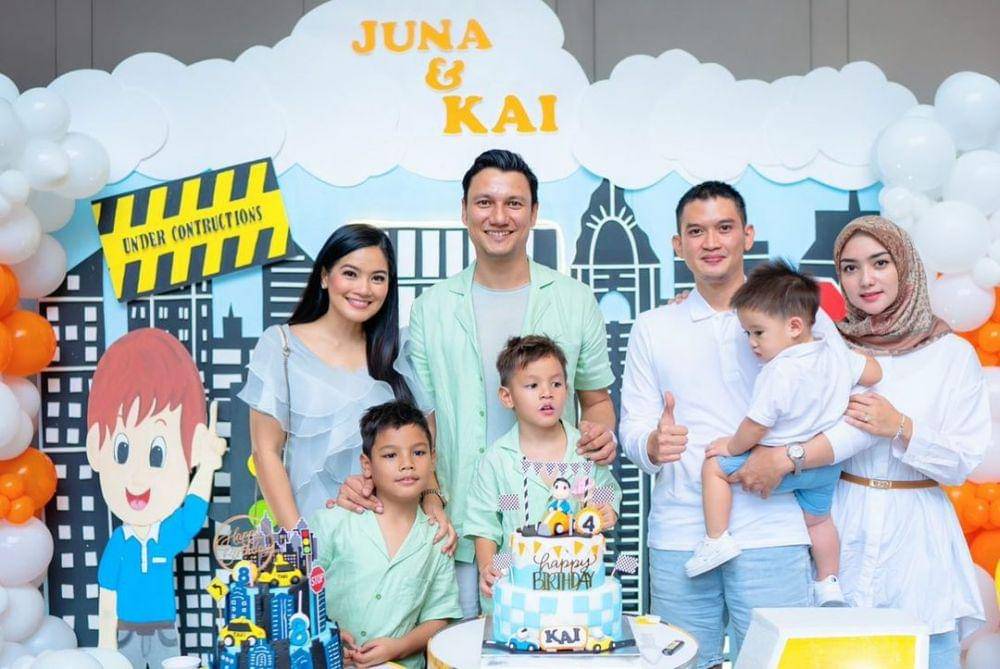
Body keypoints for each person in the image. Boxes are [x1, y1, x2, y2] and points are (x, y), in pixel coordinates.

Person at [337, 149, 617, 618]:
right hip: (456, 524)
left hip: (555, 532)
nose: (499, 216)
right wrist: (430, 496)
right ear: (464, 212)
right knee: (459, 646)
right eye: (485, 202)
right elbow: (423, 422)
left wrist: (600, 434)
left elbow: (597, 400)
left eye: (514, 203)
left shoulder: (575, 300)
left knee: (555, 639)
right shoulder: (432, 307)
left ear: (534, 213)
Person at [727, 216, 988, 669]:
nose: (865, 279)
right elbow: (758, 323)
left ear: (905, 265)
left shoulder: (951, 355)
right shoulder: (827, 344)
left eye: (880, 263)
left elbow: (961, 463)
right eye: (850, 268)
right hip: (841, 520)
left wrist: (900, 426)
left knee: (925, 650)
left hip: (917, 540)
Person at [620, 181, 849, 668]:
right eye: (695, 231)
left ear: (747, 236)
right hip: (681, 536)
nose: (711, 242)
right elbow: (632, 427)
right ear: (677, 245)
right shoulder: (653, 327)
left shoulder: (801, 318)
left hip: (774, 530)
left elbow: (848, 415)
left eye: (724, 228)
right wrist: (652, 444)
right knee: (681, 664)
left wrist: (788, 458)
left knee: (776, 663)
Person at [239, 223, 453, 552]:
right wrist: (302, 544)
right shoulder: (281, 346)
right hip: (316, 539)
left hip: (393, 542)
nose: (363, 289)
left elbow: (423, 447)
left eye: (377, 278)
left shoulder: (399, 351)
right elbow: (265, 452)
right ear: (325, 276)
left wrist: (433, 501)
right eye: (351, 274)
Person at [684, 260, 881, 610]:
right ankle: (829, 583)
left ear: (793, 327)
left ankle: (716, 539)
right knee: (819, 521)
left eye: (758, 332)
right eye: (747, 334)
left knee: (713, 467)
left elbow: (756, 425)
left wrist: (731, 445)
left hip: (781, 465)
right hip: (825, 468)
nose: (751, 343)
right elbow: (874, 373)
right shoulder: (834, 353)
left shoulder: (779, 371)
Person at [89, 328, 227, 669]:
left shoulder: (165, 536)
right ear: (96, 447)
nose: (137, 478)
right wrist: (105, 651)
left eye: (156, 453)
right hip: (124, 635)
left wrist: (207, 468)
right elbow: (107, 599)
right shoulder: (118, 544)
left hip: (165, 633)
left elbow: (193, 515)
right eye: (122, 450)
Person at [464, 335, 621, 605]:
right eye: (533, 385)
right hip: (516, 593)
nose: (547, 393)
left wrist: (608, 510)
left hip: (576, 594)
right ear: (507, 397)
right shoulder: (496, 460)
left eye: (556, 384)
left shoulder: (585, 450)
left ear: (567, 390)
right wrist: (488, 567)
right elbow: (485, 525)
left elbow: (607, 492)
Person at [310, 401, 462, 669]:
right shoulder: (333, 522)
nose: (407, 464)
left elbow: (439, 616)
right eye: (391, 455)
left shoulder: (438, 537)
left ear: (433, 460)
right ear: (367, 465)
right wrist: (325, 635)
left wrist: (400, 647)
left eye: (418, 453)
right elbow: (300, 592)